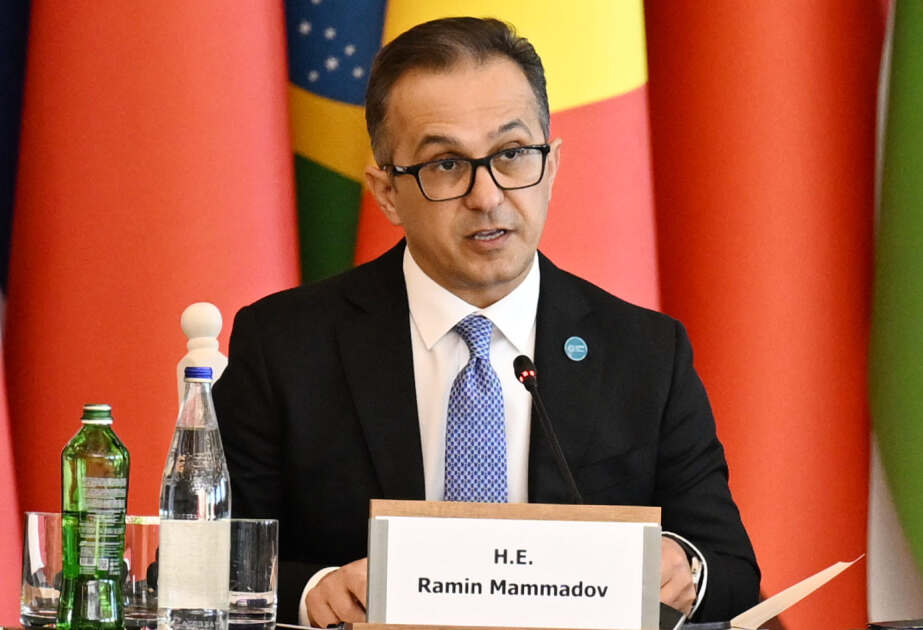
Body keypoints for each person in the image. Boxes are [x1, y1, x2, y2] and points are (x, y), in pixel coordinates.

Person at [213, 16, 760, 627]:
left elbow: (731, 570)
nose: (488, 196)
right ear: (387, 192)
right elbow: (199, 563)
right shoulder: (286, 345)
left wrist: (684, 567)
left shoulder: (645, 352)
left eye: (512, 154)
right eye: (446, 164)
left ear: (551, 165)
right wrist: (314, 591)